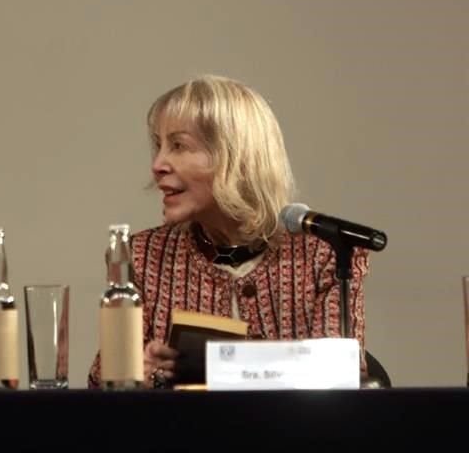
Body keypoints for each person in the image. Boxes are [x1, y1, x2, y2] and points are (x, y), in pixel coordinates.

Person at [87, 74, 371, 389]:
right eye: (159, 145)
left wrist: (222, 365)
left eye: (179, 145)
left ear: (235, 156)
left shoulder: (324, 254)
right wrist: (139, 374)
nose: (158, 164)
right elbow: (101, 387)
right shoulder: (143, 254)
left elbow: (343, 378)